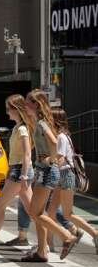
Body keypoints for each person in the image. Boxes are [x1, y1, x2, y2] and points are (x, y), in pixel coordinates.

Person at [22, 90, 77, 262]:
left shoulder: (42, 124)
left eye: (28, 102)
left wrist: (50, 159)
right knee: (39, 212)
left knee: (34, 212)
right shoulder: (41, 121)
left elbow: (53, 142)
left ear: (36, 104)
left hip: (46, 171)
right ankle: (41, 252)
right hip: (45, 171)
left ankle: (66, 236)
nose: (25, 105)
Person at [0, 95, 34, 253]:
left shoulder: (22, 128)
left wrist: (23, 175)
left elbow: (27, 154)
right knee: (33, 210)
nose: (6, 113)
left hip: (20, 171)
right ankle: (63, 236)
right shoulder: (19, 127)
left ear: (16, 109)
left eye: (8, 109)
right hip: (19, 170)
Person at [47, 108, 97, 253]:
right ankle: (48, 244)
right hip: (62, 177)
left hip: (65, 176)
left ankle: (94, 233)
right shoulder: (64, 136)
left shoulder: (62, 137)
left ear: (55, 120)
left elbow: (61, 159)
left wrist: (49, 164)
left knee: (68, 213)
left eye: (50, 118)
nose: (48, 120)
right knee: (51, 212)